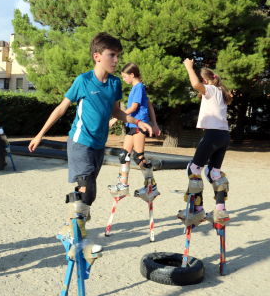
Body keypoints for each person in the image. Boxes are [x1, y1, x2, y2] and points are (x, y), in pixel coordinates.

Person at [28, 33, 153, 243]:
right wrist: (40, 135)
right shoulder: (83, 80)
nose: (116, 60)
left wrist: (137, 122)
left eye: (118, 56)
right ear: (97, 56)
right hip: (79, 141)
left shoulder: (115, 84)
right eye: (111, 55)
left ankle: (75, 223)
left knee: (88, 192)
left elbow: (116, 112)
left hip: (98, 144)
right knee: (86, 185)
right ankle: (74, 232)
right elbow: (61, 108)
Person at [178, 59, 232, 225]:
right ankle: (220, 209)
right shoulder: (221, 93)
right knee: (214, 172)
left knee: (193, 169)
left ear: (206, 81)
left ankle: (198, 210)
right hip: (224, 136)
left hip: (213, 135)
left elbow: (195, 84)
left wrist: (189, 67)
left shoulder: (209, 89)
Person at [108, 63, 161, 198]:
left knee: (139, 157)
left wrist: (114, 119)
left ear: (132, 75)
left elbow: (133, 108)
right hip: (131, 126)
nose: (124, 79)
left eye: (125, 77)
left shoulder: (139, 87)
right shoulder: (137, 88)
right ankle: (123, 185)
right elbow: (149, 105)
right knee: (124, 155)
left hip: (139, 125)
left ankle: (151, 186)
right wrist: (154, 124)